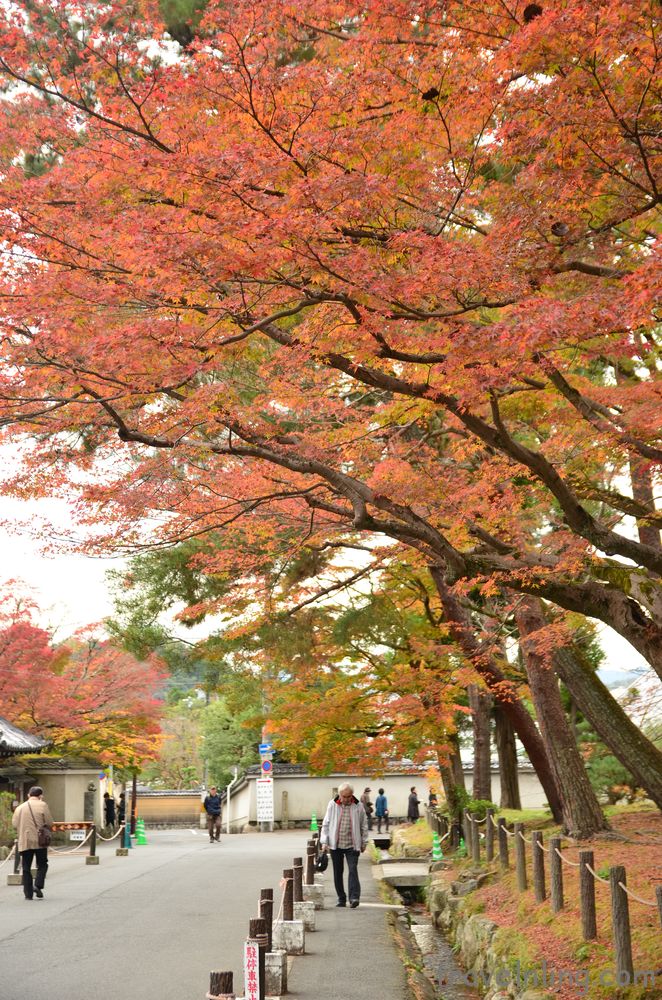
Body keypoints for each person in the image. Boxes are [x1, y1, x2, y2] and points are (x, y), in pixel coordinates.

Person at [320, 782, 368, 908]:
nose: (346, 799)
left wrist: (364, 842)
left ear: (352, 795)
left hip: (353, 844)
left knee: (353, 869)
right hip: (336, 844)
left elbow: (364, 825)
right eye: (343, 796)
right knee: (338, 871)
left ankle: (354, 898)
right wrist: (324, 841)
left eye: (348, 796)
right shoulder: (332, 804)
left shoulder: (358, 806)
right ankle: (341, 898)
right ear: (339, 795)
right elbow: (326, 824)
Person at [12, 786, 54, 900]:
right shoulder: (43, 805)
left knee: (26, 867)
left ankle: (28, 894)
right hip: (40, 840)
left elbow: (15, 824)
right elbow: (50, 822)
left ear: (28, 795)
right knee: (42, 864)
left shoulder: (20, 807)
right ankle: (38, 885)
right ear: (40, 796)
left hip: (25, 841)